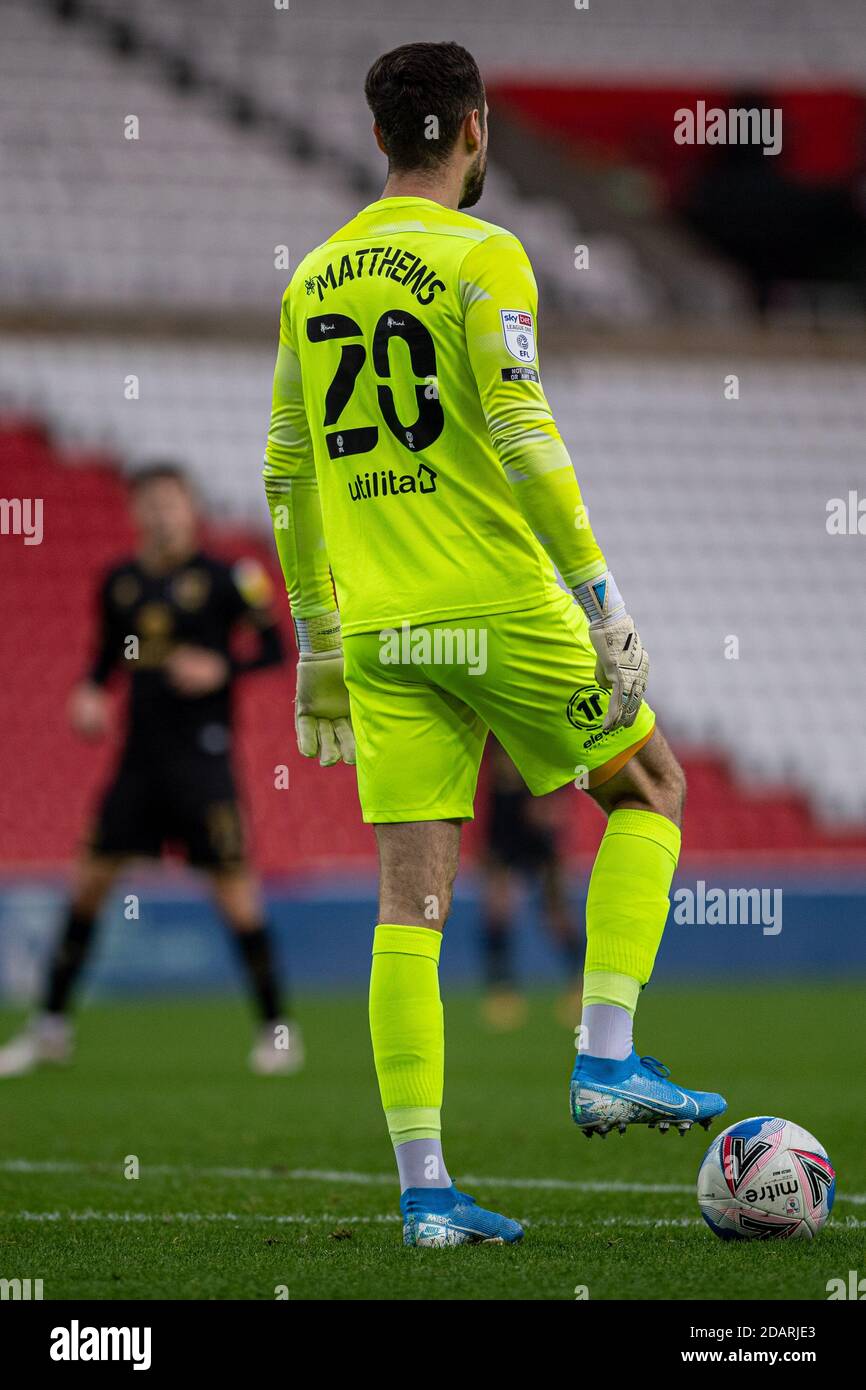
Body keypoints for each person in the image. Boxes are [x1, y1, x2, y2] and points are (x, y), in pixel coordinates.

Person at [263, 41, 725, 1247]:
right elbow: (518, 425)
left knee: (407, 905)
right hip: (500, 606)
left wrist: (316, 646)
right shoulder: (484, 252)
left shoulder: (311, 279)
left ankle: (425, 1193)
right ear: (472, 129)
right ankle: (606, 1056)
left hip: (377, 629)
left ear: (378, 137)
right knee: (650, 787)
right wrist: (598, 593)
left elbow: (284, 472)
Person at [0, 463, 303, 1078]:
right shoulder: (120, 582)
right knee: (88, 882)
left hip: (204, 756)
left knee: (234, 890)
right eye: (150, 504)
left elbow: (276, 648)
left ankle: (275, 1029)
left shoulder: (229, 578)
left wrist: (222, 668)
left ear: (191, 507)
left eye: (172, 502)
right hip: (136, 760)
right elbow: (104, 658)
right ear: (136, 513)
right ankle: (51, 1026)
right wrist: (88, 693)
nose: (162, 514)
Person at [480, 741, 583, 1031]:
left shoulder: (538, 744)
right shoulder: (493, 739)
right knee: (497, 913)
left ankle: (580, 985)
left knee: (558, 918)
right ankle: (502, 991)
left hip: (540, 841)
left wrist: (548, 811)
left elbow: (556, 802)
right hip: (502, 836)